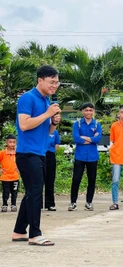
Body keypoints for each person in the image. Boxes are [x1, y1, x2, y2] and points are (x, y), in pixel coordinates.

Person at [12, 65, 61, 246]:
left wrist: (53, 122)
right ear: (40, 80)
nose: (54, 85)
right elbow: (24, 125)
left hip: (40, 151)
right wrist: (47, 114)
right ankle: (34, 234)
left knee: (32, 192)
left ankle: (18, 231)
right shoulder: (28, 98)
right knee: (35, 192)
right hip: (27, 153)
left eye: (57, 82)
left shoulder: (46, 101)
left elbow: (46, 130)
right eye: (51, 82)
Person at [68, 102, 102, 211]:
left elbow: (98, 139)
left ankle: (89, 202)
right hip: (80, 156)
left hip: (93, 157)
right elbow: (76, 139)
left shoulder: (97, 124)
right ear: (82, 111)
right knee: (76, 179)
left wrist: (85, 138)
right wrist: (91, 138)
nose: (88, 112)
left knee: (91, 180)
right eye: (86, 110)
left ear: (93, 111)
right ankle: (73, 202)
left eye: (90, 110)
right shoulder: (77, 124)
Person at [1, 135, 19, 213]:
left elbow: (22, 162)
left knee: (14, 192)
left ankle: (13, 204)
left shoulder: (18, 153)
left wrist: (20, 168)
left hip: (15, 177)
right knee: (6, 192)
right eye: (10, 142)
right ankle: (4, 205)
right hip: (5, 177)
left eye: (14, 142)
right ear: (6, 142)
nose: (12, 144)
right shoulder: (2, 153)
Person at [44, 128, 61, 211]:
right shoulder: (40, 129)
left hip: (50, 155)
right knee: (38, 180)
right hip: (40, 154)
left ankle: (50, 204)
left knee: (50, 180)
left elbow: (57, 145)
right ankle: (37, 204)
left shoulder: (55, 132)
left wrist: (52, 152)